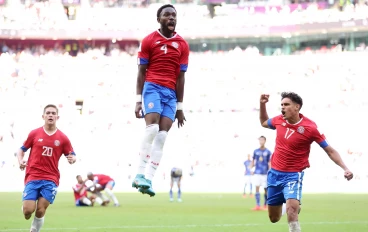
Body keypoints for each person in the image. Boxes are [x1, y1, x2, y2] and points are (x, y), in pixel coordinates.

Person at [259, 92, 354, 232]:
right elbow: (263, 122)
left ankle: (293, 205)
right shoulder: (278, 120)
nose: (282, 108)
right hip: (274, 174)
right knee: (274, 218)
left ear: (297, 107)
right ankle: (291, 204)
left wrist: (345, 168)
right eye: (281, 105)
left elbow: (329, 150)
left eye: (286, 104)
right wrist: (262, 104)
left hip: (293, 175)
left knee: (292, 211)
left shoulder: (310, 128)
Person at [132, 4, 190, 197]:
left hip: (171, 94)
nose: (171, 18)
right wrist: (138, 100)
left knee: (163, 136)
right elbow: (141, 72)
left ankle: (148, 179)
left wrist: (180, 107)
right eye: (167, 15)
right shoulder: (149, 40)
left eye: (174, 15)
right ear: (159, 19)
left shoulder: (182, 44)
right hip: (152, 87)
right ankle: (139, 173)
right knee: (153, 128)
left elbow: (181, 77)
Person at [17, 104, 77, 232]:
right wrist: (21, 160)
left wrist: (73, 158)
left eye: (53, 113)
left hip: (51, 178)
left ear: (57, 117)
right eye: (48, 113)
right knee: (28, 211)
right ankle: (25, 208)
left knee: (41, 209)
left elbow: (72, 154)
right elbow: (21, 150)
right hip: (33, 176)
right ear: (43, 116)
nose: (50, 115)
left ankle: (34, 230)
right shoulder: (34, 133)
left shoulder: (63, 138)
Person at [251, 136, 272, 210]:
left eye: (262, 140)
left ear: (265, 141)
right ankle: (257, 205)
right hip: (257, 172)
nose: (261, 141)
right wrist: (251, 169)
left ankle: (265, 205)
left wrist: (270, 171)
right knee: (257, 187)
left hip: (265, 173)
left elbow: (270, 162)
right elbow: (253, 161)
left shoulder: (268, 152)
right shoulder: (255, 151)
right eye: (260, 140)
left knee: (266, 189)